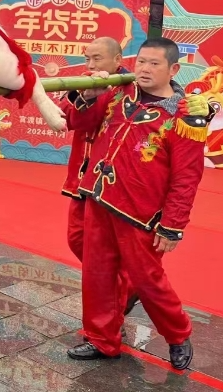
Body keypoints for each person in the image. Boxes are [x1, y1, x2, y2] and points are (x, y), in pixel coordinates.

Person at [63, 37, 211, 370]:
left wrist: (173, 226)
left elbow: (187, 178)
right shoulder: (118, 93)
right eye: (141, 61)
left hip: (142, 215)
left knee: (148, 280)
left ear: (174, 69)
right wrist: (89, 94)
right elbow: (80, 123)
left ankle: (177, 334)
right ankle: (102, 339)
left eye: (154, 63)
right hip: (99, 199)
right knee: (97, 274)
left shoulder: (186, 116)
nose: (144, 69)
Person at [60, 37, 138, 317]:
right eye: (87, 58)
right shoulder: (84, 82)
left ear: (117, 60)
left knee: (105, 250)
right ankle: (126, 287)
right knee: (76, 239)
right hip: (82, 176)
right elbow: (71, 120)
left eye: (98, 59)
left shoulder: (132, 88)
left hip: (112, 182)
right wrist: (88, 95)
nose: (90, 65)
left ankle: (113, 305)